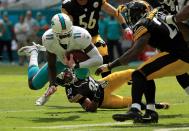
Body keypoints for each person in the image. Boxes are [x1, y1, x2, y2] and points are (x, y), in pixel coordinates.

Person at [95, 1, 189, 123]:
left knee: (138, 74)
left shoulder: (144, 22)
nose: (130, 18)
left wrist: (110, 65)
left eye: (131, 14)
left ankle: (135, 109)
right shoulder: (160, 13)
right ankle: (151, 112)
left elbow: (134, 52)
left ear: (139, 13)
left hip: (177, 55)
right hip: (179, 54)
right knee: (146, 76)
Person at [17, 13, 103, 106]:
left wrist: (76, 66)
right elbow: (51, 64)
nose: (65, 38)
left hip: (79, 64)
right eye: (62, 36)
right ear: (54, 33)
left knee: (81, 79)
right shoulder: (48, 39)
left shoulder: (81, 35)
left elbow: (98, 59)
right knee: (33, 85)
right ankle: (34, 52)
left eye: (68, 34)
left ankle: (82, 91)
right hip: (60, 61)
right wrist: (52, 85)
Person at [61, 0, 132, 77]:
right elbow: (65, 26)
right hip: (77, 39)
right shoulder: (68, 5)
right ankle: (77, 82)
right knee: (73, 62)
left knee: (104, 53)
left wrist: (126, 28)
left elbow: (115, 12)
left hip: (93, 37)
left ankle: (107, 82)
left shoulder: (96, 1)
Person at [55, 67, 169, 112]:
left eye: (67, 73)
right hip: (103, 100)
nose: (69, 74)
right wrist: (96, 97)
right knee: (132, 101)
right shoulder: (72, 93)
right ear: (65, 84)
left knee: (129, 73)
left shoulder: (78, 69)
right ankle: (155, 105)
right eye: (66, 76)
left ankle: (145, 78)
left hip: (103, 83)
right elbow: (90, 109)